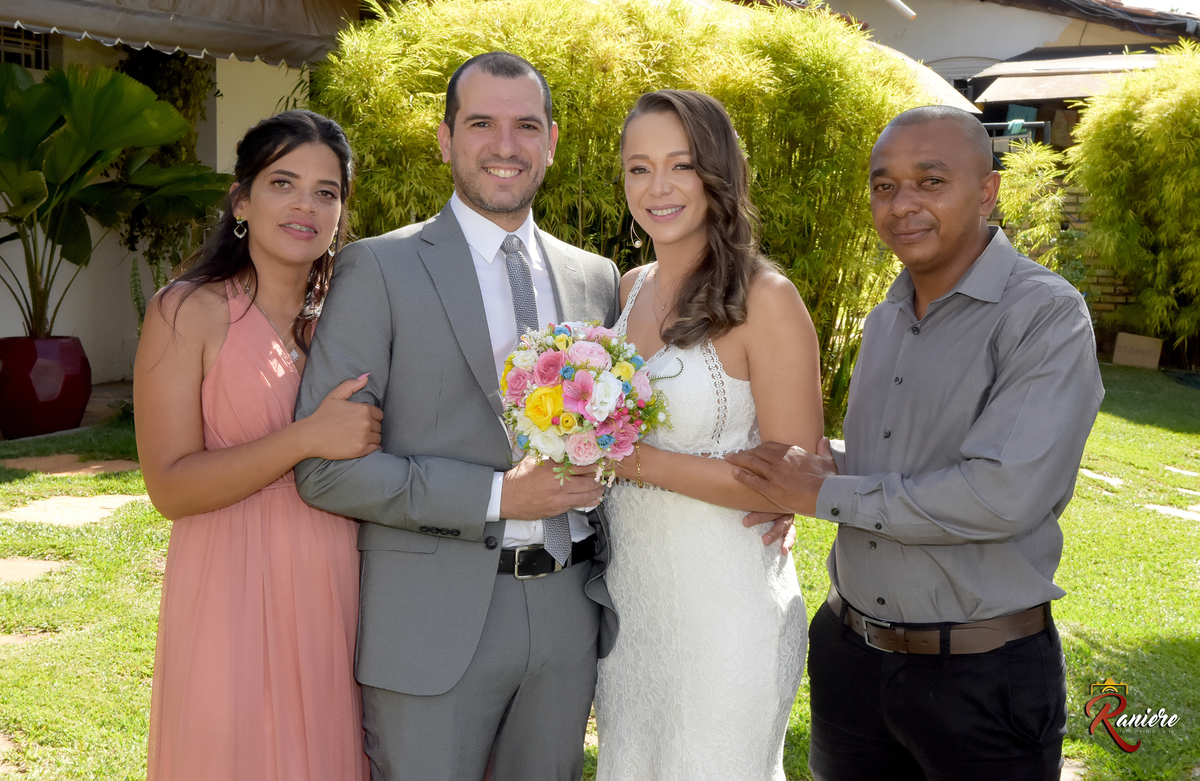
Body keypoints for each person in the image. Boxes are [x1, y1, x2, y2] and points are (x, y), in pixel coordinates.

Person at [726, 105, 1105, 781]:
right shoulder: (887, 318)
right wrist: (820, 467)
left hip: (980, 680)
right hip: (852, 660)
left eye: (930, 181)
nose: (902, 204)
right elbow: (896, 469)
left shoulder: (1044, 315)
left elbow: (1002, 493)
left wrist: (822, 490)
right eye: (884, 185)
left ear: (986, 192)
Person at [291, 52, 616, 781]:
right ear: (445, 139)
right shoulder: (379, 269)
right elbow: (323, 471)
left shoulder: (596, 278)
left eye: (526, 125)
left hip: (569, 612)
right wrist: (500, 497)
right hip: (430, 618)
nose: (506, 145)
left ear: (553, 140)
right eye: (481, 124)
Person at [136, 110, 380, 780]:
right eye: (283, 183)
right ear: (242, 200)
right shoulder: (186, 311)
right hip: (229, 590)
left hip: (340, 591)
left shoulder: (354, 320)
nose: (306, 204)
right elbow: (170, 486)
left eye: (326, 192)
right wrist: (305, 437)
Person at [593, 90, 823, 780]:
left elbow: (796, 478)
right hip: (630, 612)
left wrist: (627, 458)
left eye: (680, 165)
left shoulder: (766, 298)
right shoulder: (626, 288)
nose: (657, 187)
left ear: (717, 173)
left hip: (727, 612)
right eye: (639, 168)